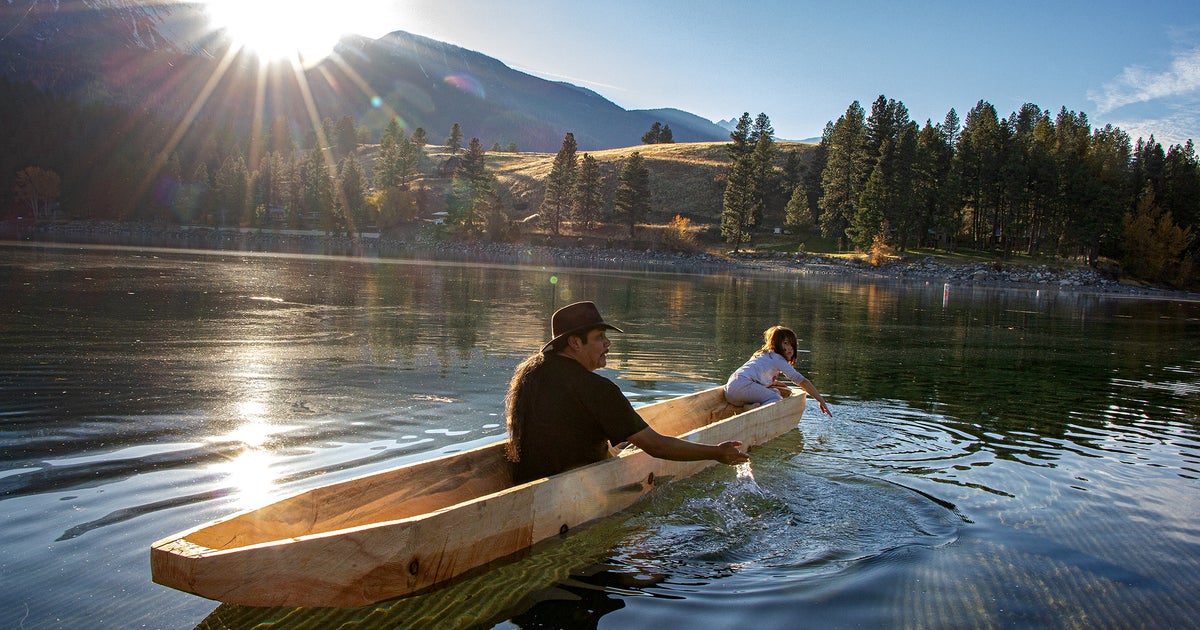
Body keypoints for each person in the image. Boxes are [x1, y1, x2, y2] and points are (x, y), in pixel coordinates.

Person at [506, 301, 749, 484]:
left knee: (621, 444)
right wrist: (716, 452)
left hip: (530, 480)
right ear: (575, 343)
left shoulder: (532, 375)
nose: (608, 344)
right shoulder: (598, 389)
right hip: (576, 490)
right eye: (600, 338)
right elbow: (657, 446)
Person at [724, 325, 833, 416]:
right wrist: (820, 400)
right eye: (785, 343)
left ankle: (749, 406)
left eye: (792, 344)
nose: (790, 347)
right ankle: (750, 410)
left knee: (775, 391)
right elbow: (802, 381)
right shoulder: (777, 358)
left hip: (730, 390)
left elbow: (756, 373)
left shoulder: (762, 354)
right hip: (741, 387)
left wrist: (773, 382)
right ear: (775, 344)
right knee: (775, 398)